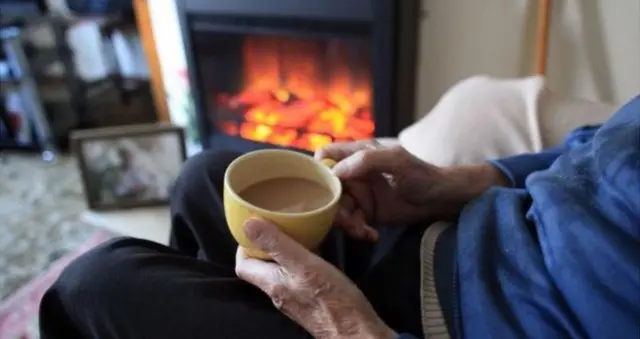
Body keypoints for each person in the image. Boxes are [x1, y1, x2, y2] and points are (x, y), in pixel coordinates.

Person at [39, 95, 639, 339]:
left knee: (93, 287)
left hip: (445, 327)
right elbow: (587, 150)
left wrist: (356, 329)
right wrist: (452, 183)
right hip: (453, 238)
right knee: (207, 177)